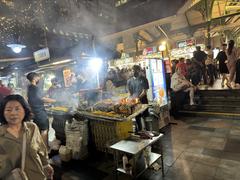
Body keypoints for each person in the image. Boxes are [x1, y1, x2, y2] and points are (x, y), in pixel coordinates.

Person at [0, 95, 54, 179]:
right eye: (8, 110)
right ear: (3, 113)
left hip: (36, 176)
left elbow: (41, 148)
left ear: (25, 110)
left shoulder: (32, 128)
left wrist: (46, 164)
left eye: (17, 109)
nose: (13, 113)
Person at [26, 72, 56, 147]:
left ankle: (39, 146)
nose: (39, 79)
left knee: (38, 129)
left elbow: (31, 99)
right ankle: (45, 148)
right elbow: (42, 99)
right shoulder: (36, 88)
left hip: (34, 111)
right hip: (40, 112)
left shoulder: (29, 87)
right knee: (44, 130)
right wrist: (56, 101)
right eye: (38, 77)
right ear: (34, 78)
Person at [127, 65, 149, 132]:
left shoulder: (144, 79)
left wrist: (138, 98)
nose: (134, 72)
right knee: (137, 116)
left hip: (143, 100)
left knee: (145, 116)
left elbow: (144, 91)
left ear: (139, 71)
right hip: (135, 102)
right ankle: (139, 130)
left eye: (136, 70)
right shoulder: (129, 81)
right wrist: (130, 99)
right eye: (133, 70)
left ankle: (147, 130)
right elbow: (130, 93)